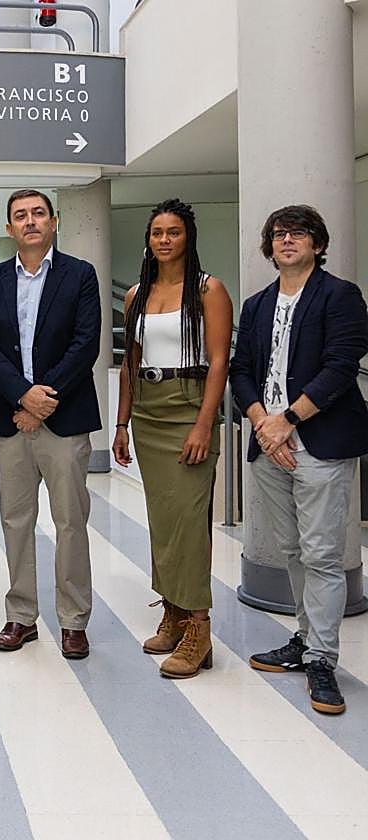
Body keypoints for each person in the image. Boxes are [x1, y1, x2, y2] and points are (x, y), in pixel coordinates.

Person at [230, 205, 368, 715]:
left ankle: (322, 660)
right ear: (269, 245)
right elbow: (241, 368)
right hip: (270, 444)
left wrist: (287, 419)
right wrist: (263, 422)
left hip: (319, 440)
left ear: (317, 242)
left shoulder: (340, 296)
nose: (288, 240)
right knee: (291, 548)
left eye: (299, 233)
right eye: (279, 234)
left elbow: (341, 366)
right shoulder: (258, 303)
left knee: (323, 555)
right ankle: (304, 639)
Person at [0, 188, 101, 660]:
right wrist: (21, 396)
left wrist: (43, 398)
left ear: (54, 222)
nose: (29, 222)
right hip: (11, 420)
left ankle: (73, 620)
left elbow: (86, 344)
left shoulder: (80, 276)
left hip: (64, 420)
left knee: (71, 521)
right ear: (9, 228)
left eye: (38, 214)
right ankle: (21, 616)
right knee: (15, 520)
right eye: (20, 216)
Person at [111, 199, 233, 679]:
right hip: (147, 410)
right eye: (157, 232)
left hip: (189, 406)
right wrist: (120, 425)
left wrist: (205, 423)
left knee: (187, 520)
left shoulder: (208, 289)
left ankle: (199, 627)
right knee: (162, 519)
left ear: (188, 238)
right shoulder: (136, 295)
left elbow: (220, 361)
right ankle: (174, 612)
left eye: (173, 232)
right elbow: (130, 364)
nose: (164, 239)